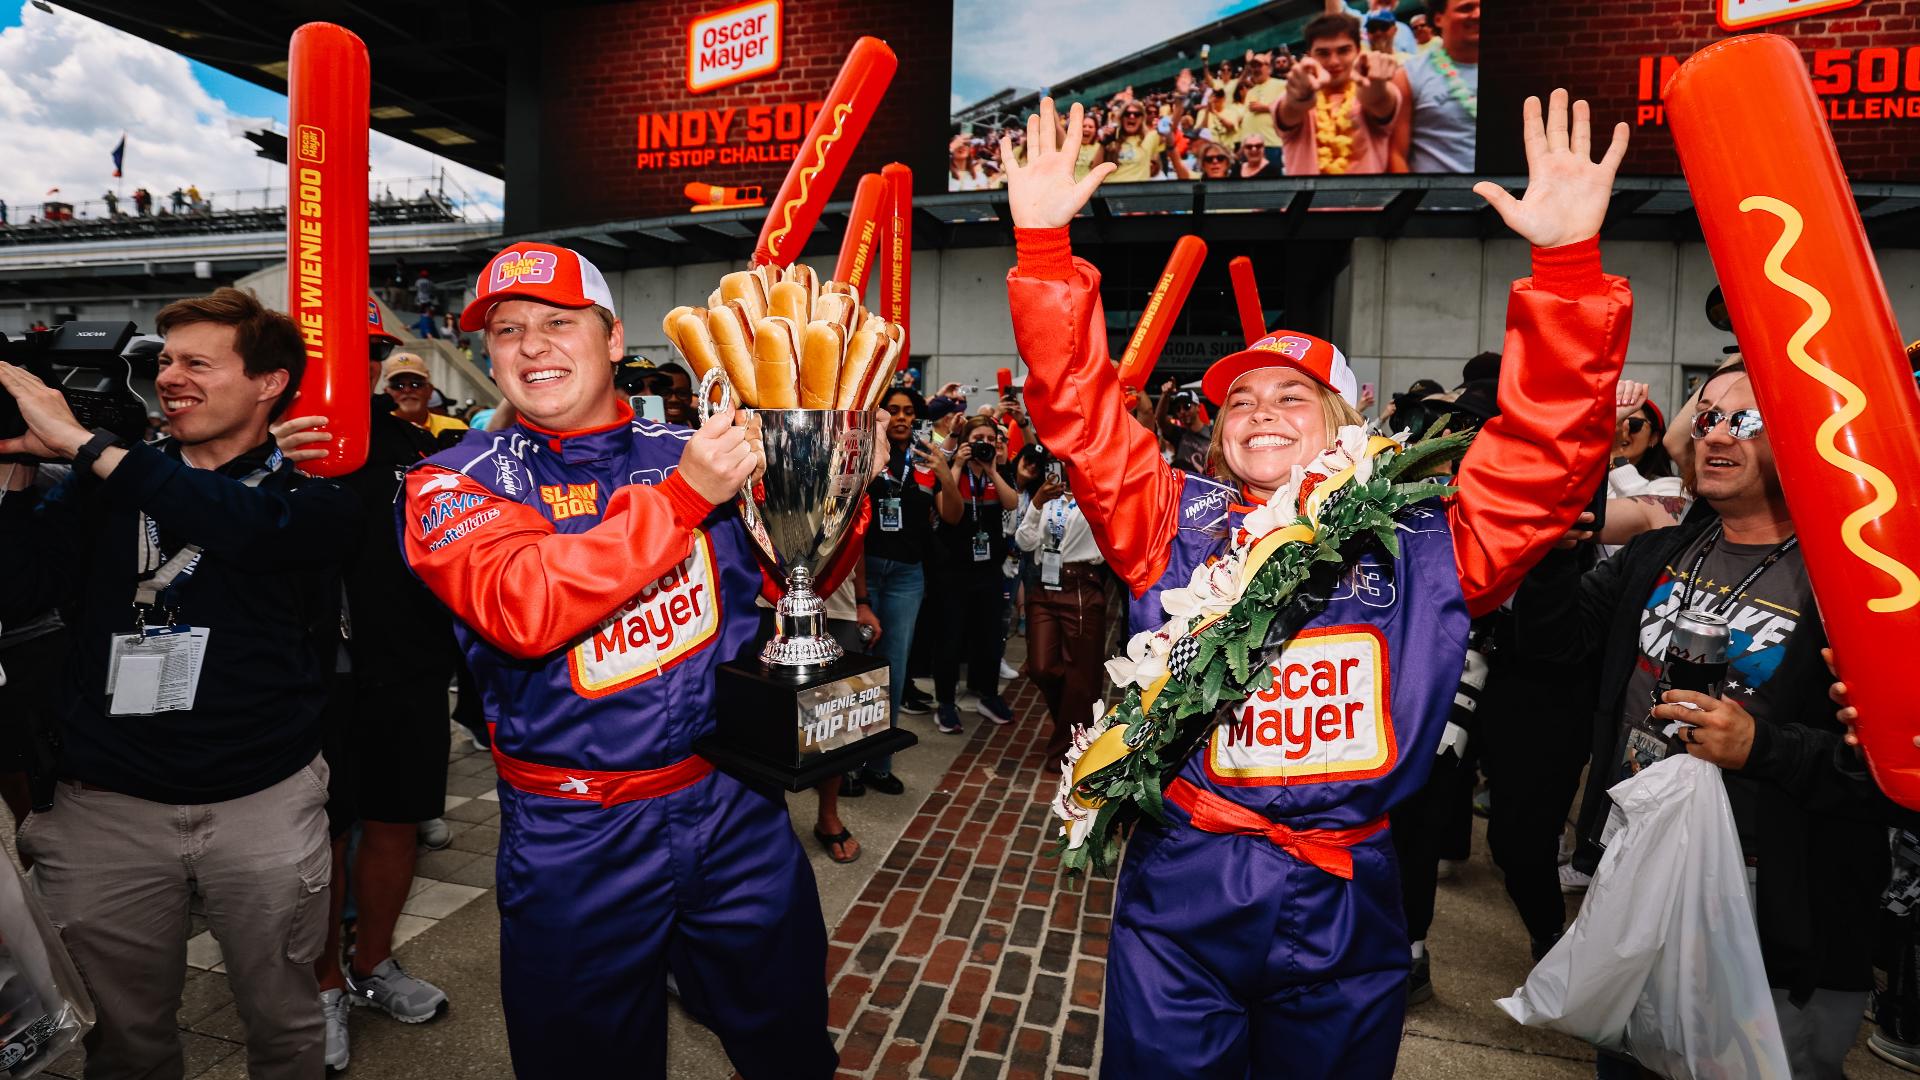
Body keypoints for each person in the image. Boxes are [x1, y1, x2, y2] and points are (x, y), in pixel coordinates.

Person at [1001, 91, 1631, 1077]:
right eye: (1239, 399)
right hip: (1185, 886)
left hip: (1346, 893)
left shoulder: (1430, 538)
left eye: (1293, 395)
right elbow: (1081, 419)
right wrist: (1043, 249)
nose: (1259, 411)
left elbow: (1548, 457)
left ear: (1347, 420)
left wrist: (1564, 271)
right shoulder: (1170, 518)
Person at [400, 242, 870, 1079]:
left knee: (791, 1036)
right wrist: (683, 500)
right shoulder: (452, 481)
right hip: (575, 832)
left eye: (557, 322)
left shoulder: (703, 444)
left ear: (613, 339)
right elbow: (523, 603)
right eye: (507, 330)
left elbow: (809, 571)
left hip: (732, 805)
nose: (533, 345)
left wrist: (822, 478)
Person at [0, 287, 361, 1078]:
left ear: (268, 383)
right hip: (106, 812)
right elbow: (18, 592)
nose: (170, 376)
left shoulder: (315, 485)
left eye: (199, 362)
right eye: (164, 360)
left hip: (262, 802)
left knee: (286, 1024)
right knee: (124, 1043)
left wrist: (90, 448)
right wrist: (19, 477)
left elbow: (253, 533)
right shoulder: (111, 483)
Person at [1521, 362, 1891, 1079]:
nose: (1717, 435)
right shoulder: (1663, 551)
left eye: (1746, 421)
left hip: (1770, 902)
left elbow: (1885, 772)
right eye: (1709, 417)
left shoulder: (1856, 581)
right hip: (1639, 866)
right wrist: (1551, 563)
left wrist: (1763, 746)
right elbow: (1555, 645)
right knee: (1624, 1062)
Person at [273, 312, 461, 1070]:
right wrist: (264, 462)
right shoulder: (272, 442)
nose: (353, 364)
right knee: (320, 836)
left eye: (369, 351)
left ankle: (372, 965)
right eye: (332, 350)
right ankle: (321, 985)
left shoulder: (419, 448)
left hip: (405, 668)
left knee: (395, 823)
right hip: (303, 679)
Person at [847, 387, 960, 796]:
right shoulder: (864, 453)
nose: (900, 417)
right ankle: (847, 765)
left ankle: (879, 763)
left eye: (908, 412)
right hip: (864, 572)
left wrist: (946, 472)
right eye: (892, 410)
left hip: (907, 577)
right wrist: (860, 596)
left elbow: (953, 516)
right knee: (857, 671)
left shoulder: (927, 458)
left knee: (892, 671)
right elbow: (850, 526)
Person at [1014, 458, 1108, 770]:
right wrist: (1037, 504)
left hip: (1081, 585)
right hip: (1044, 585)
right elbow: (1025, 541)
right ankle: (1074, 731)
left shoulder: (1097, 495)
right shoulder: (1046, 496)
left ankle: (1064, 750)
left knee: (1080, 676)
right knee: (1041, 667)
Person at [929, 415, 1018, 734]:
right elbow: (945, 511)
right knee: (950, 638)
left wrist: (993, 469)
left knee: (990, 638)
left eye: (990, 438)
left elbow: (1012, 502)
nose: (985, 443)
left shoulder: (997, 470)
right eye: (977, 438)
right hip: (954, 569)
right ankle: (946, 703)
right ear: (966, 441)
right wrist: (956, 463)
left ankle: (988, 695)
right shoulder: (954, 469)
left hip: (989, 569)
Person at [1277, 14, 1406, 176]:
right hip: (1307, 202)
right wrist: (1301, 96)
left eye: (1343, 51)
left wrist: (1376, 83)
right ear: (1310, 56)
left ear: (1358, 51)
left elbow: (1376, 100)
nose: (1334, 62)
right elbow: (1290, 110)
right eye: (1323, 53)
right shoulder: (1293, 90)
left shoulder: (1378, 90)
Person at [1403, 0, 1480, 173]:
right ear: (1438, 19)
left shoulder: (1517, 68)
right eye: (1466, 8)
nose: (1477, 14)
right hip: (1434, 197)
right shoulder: (1410, 73)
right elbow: (1396, 154)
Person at [382, 352, 469, 438]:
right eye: (398, 385)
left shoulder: (457, 429)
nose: (407, 390)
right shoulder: (375, 432)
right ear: (386, 392)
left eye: (416, 384)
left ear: (430, 390)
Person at [1237, 53, 1289, 169]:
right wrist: (1242, 144)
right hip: (1249, 147)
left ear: (1269, 68)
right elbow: (1246, 119)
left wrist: (1265, 107)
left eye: (1259, 66)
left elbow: (1289, 108)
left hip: (1271, 145)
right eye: (1253, 66)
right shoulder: (1250, 91)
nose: (1256, 69)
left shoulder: (1281, 84)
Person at [1153, 381, 1212, 474]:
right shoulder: (1179, 434)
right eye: (1178, 409)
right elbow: (1160, 419)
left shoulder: (1213, 433)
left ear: (1198, 408)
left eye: (1187, 406)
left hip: (1207, 485)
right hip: (1182, 485)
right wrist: (1165, 395)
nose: (1182, 411)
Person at [1104, 102, 1164, 183]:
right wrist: (1103, 142)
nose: (1132, 116)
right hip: (1111, 189)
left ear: (1142, 118)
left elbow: (1172, 131)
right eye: (1127, 114)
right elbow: (1094, 168)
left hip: (1137, 191)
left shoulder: (1150, 137)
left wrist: (1180, 98)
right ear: (1122, 118)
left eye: (1137, 114)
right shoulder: (1112, 137)